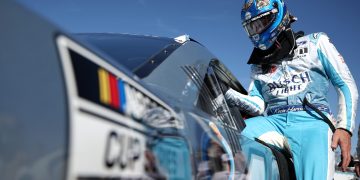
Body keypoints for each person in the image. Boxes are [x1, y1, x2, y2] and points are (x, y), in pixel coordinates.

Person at [225, 0, 358, 179]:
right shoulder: (258, 65)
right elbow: (256, 104)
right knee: (229, 135)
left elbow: (345, 83)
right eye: (251, 27)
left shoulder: (316, 43)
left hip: (312, 122)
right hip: (273, 121)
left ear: (278, 14)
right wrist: (225, 92)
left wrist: (345, 128)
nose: (257, 31)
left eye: (260, 23)